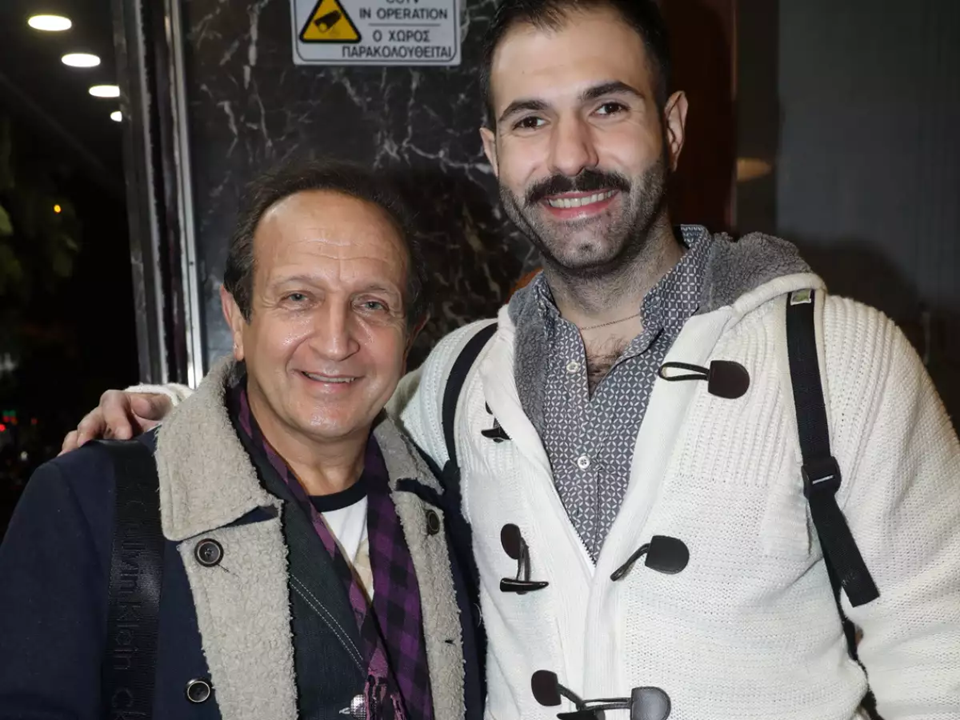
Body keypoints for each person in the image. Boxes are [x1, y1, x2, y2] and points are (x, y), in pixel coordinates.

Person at [59, 0, 960, 718]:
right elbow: (320, 415)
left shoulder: (838, 358)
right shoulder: (459, 379)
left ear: (674, 124)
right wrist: (176, 414)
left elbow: (940, 658)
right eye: (531, 120)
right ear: (494, 152)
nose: (570, 157)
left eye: (608, 107)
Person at [0, 160, 483, 720]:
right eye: (298, 297)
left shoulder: (454, 510)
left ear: (410, 335)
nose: (335, 342)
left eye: (372, 304)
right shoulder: (90, 503)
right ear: (236, 318)